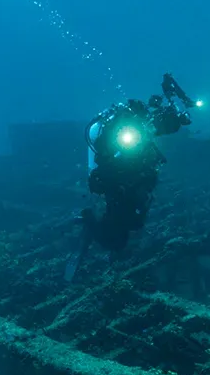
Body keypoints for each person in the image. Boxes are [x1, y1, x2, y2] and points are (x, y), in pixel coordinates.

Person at [78, 73, 200, 258]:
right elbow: (101, 164)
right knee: (120, 235)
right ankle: (90, 222)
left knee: (132, 224)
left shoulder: (143, 125)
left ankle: (94, 225)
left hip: (134, 179)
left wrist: (176, 115)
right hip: (121, 180)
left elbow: (165, 125)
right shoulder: (108, 135)